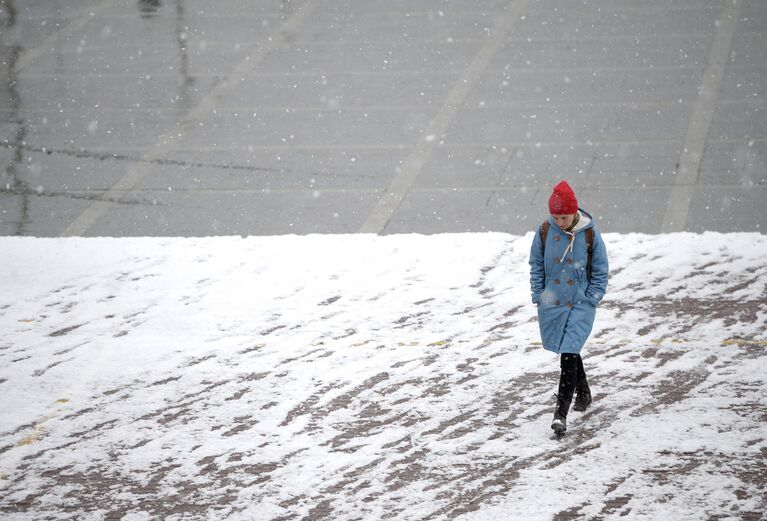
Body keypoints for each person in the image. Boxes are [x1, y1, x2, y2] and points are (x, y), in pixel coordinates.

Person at [529, 180, 609, 434]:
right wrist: (539, 295)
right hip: (553, 302)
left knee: (568, 355)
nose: (560, 222)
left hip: (580, 303)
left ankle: (560, 414)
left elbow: (600, 269)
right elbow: (536, 265)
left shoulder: (590, 233)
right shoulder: (544, 231)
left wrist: (592, 296)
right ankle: (583, 393)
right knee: (569, 350)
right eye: (556, 217)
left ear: (574, 212)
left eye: (564, 217)